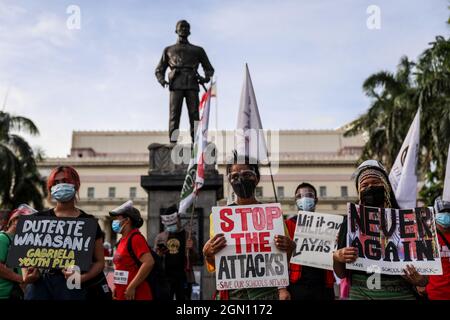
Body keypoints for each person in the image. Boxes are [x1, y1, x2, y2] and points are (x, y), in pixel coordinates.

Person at [202, 151, 295, 300]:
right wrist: (208, 254)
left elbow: (283, 259)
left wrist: (290, 248)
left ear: (257, 178)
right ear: (230, 181)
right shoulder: (219, 218)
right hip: (233, 294)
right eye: (235, 176)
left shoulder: (273, 215)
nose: (240, 179)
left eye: (246, 174)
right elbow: (218, 263)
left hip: (266, 293)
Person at [333, 160, 428, 300]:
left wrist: (420, 280)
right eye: (364, 185)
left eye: (376, 183)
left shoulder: (407, 221)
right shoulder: (349, 223)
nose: (370, 187)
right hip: (362, 295)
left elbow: (425, 278)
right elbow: (341, 274)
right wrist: (337, 257)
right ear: (359, 192)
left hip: (401, 296)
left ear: (386, 187)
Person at [23, 166, 107, 300]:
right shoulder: (38, 219)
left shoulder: (88, 222)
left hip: (72, 284)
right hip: (40, 284)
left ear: (76, 185)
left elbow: (100, 262)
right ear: (50, 187)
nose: (60, 185)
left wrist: (82, 278)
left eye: (65, 181)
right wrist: (27, 272)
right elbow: (25, 256)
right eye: (56, 183)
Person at [155, 19, 214, 143]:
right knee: (174, 114)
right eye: (181, 27)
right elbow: (159, 69)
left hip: (192, 83)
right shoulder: (168, 50)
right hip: (175, 84)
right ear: (176, 30)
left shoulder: (198, 50)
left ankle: (197, 141)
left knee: (194, 115)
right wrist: (162, 80)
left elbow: (209, 68)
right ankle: (173, 142)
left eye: (186, 27)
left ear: (190, 31)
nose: (184, 29)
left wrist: (205, 78)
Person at [285, 182, 336, 300]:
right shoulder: (287, 225)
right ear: (295, 201)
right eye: (299, 196)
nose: (304, 199)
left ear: (316, 199)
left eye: (309, 195)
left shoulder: (328, 225)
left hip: (323, 285)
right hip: (296, 284)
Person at [110, 201, 154, 300]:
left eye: (118, 218)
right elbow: (121, 267)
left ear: (127, 220)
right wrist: (116, 287)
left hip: (137, 294)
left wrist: (132, 286)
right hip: (123, 293)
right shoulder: (122, 240)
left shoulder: (136, 238)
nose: (115, 221)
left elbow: (149, 262)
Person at [154, 205, 198, 300]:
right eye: (168, 224)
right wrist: (159, 255)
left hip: (184, 278)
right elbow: (154, 261)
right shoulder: (160, 237)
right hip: (166, 278)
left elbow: (196, 259)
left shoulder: (189, 236)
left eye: (172, 223)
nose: (170, 226)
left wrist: (191, 249)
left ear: (178, 219)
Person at [0, 205, 35, 299]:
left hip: (17, 294)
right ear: (14, 220)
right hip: (4, 294)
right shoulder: (2, 238)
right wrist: (22, 280)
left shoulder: (22, 241)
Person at [418, 196, 450, 300]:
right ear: (435, 214)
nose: (446, 215)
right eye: (442, 211)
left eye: (448, 211)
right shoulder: (426, 237)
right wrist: (421, 284)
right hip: (435, 294)